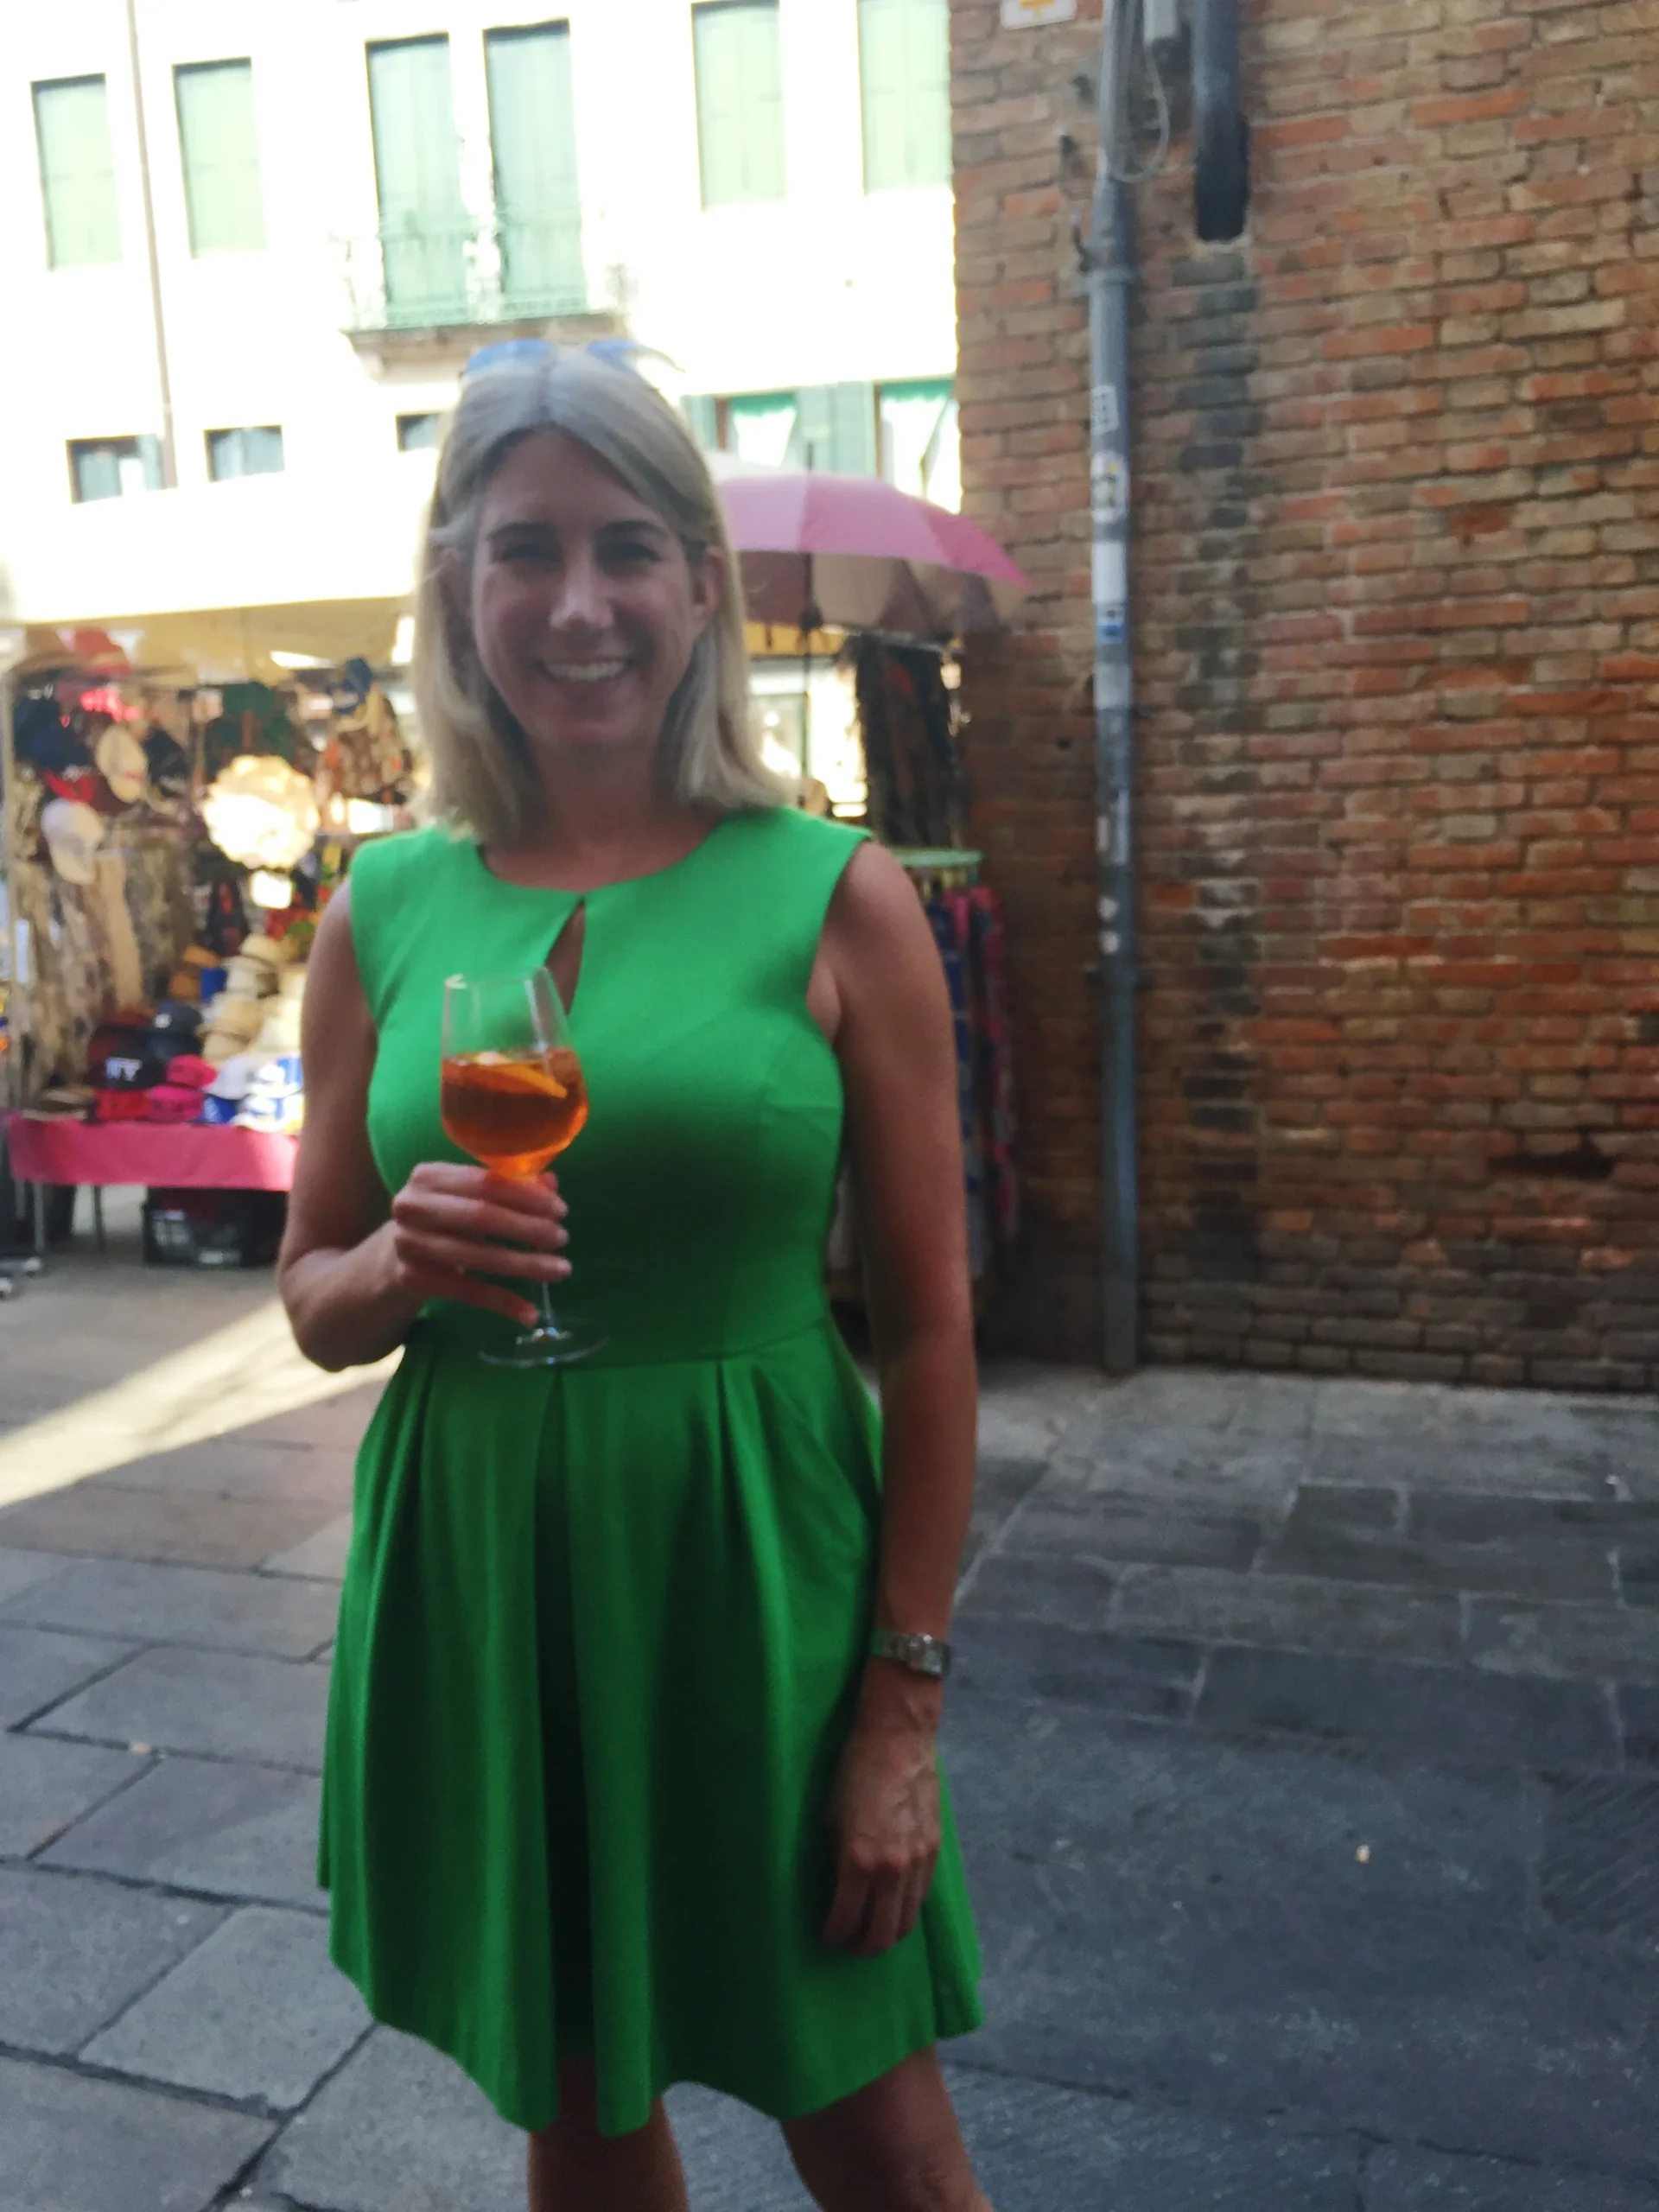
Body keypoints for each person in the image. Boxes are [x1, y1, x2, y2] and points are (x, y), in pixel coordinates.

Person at [278, 345, 992, 2212]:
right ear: (457, 586)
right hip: (488, 1564)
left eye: (622, 549)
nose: (575, 604)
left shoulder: (832, 897)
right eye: (523, 551)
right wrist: (402, 1259)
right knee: (581, 2107)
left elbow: (927, 1329)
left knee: (880, 2130)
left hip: (757, 1569)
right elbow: (309, 1295)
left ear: (699, 585)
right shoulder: (383, 906)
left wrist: (901, 1705)